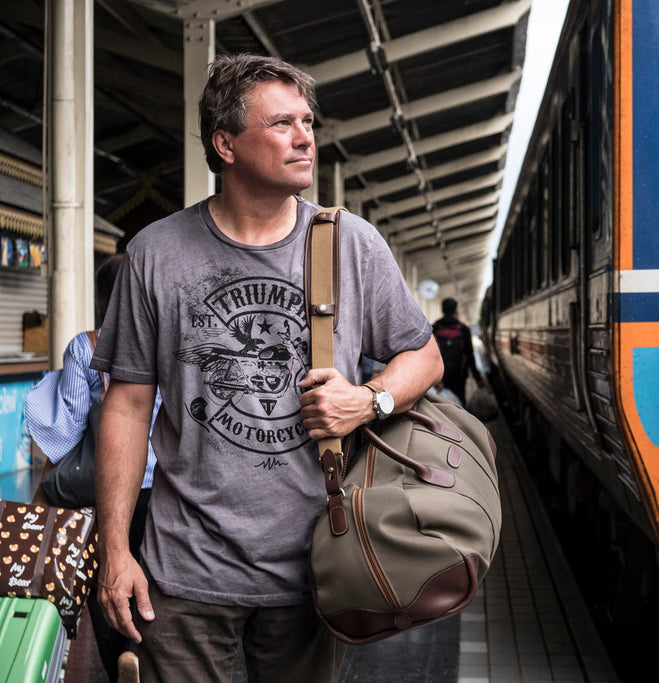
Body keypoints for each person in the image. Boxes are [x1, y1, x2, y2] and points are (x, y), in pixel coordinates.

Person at [90, 53, 443, 682]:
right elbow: (127, 404)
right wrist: (116, 550)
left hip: (319, 562)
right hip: (185, 570)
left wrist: (370, 400)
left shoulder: (349, 243)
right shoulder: (155, 254)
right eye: (282, 124)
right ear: (224, 144)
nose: (305, 136)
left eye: (308, 121)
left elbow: (425, 355)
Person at [24, 254, 161, 682]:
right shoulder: (171, 344)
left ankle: (117, 654)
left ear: (103, 296)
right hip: (169, 489)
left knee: (108, 573)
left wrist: (48, 487)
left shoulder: (87, 345)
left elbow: (64, 433)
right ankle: (142, 652)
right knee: (158, 576)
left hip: (110, 485)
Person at [432, 297, 481, 406]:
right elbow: (470, 355)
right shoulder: (463, 329)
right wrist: (477, 377)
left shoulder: (435, 328)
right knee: (459, 406)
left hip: (439, 376)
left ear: (442, 310)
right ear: (456, 310)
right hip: (459, 376)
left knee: (440, 405)